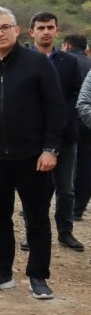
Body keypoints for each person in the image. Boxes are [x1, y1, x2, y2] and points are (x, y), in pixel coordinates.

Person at [0, 7, 65, 300]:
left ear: (17, 30)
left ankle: (38, 275)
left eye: (4, 27)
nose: (0, 33)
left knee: (36, 218)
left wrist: (51, 149)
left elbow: (56, 110)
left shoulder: (38, 64)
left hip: (33, 157)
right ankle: (2, 273)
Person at [23, 12, 84, 252]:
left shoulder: (70, 62)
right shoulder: (23, 60)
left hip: (65, 135)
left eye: (50, 27)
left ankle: (65, 231)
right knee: (33, 189)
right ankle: (33, 232)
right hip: (31, 137)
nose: (46, 31)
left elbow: (76, 95)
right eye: (41, 28)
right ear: (32, 32)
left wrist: (60, 120)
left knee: (66, 188)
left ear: (57, 31)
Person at [63, 34, 91, 220]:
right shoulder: (89, 64)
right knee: (86, 166)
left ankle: (66, 207)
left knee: (67, 168)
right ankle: (78, 209)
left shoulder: (64, 62)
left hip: (70, 121)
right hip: (88, 124)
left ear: (66, 45)